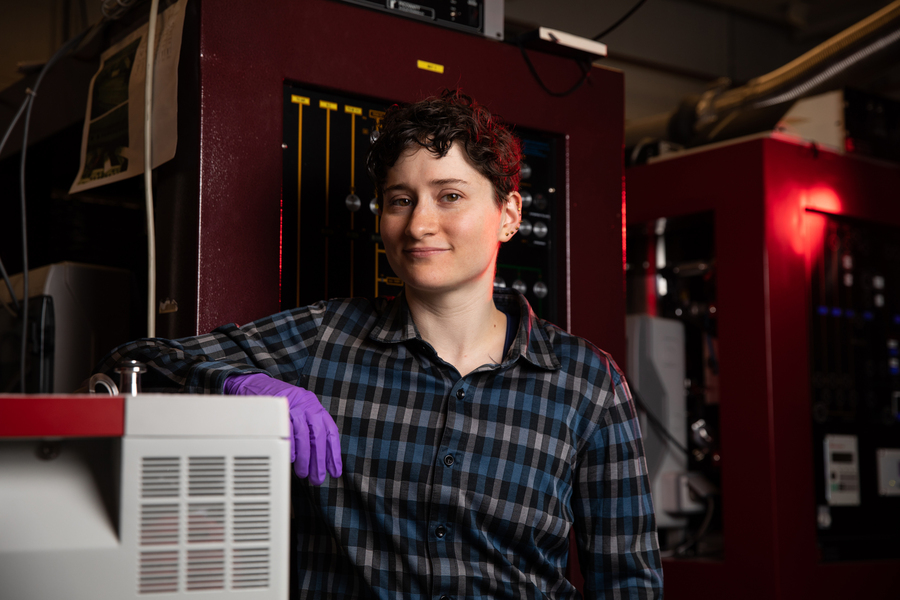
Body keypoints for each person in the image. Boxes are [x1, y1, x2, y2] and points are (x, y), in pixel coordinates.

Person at [96, 89, 662, 598]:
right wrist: (241, 382)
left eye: (449, 196)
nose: (418, 225)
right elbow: (132, 364)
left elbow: (629, 582)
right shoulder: (325, 338)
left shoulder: (587, 382)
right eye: (400, 200)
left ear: (508, 215)